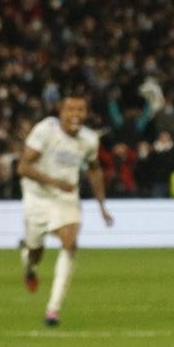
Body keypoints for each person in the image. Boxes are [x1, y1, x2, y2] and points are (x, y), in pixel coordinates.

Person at [16, 96, 113, 327]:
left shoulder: (89, 139)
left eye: (81, 109)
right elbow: (23, 167)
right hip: (37, 196)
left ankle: (53, 310)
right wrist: (55, 183)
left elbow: (94, 169)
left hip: (66, 197)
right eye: (71, 109)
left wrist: (101, 206)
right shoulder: (45, 131)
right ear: (61, 111)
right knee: (35, 251)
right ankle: (28, 264)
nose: (76, 114)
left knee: (70, 242)